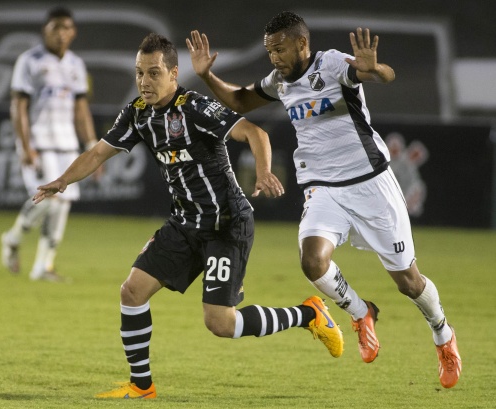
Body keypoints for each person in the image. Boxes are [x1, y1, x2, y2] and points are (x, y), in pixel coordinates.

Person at [34, 33, 344, 399]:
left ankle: (309, 314)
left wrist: (262, 171)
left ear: (173, 74)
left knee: (220, 323)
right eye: (139, 73)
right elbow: (97, 154)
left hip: (226, 224)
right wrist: (61, 180)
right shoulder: (137, 114)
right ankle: (141, 386)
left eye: (153, 73)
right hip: (184, 223)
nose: (144, 82)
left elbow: (255, 132)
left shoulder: (194, 107)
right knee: (132, 292)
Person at [186, 11, 461, 388]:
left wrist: (375, 69)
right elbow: (240, 100)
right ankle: (362, 312)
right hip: (322, 185)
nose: (274, 58)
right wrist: (206, 75)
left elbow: (379, 75)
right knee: (312, 260)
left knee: (409, 281)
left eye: (279, 49)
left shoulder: (330, 64)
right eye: (269, 51)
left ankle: (443, 335)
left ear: (301, 43)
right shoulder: (279, 81)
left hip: (370, 182)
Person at [1, 6, 98, 282]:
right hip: (39, 143)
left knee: (62, 203)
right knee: (47, 199)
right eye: (55, 28)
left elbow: (81, 109)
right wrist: (25, 144)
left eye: (66, 28)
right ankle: (12, 238)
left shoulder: (76, 65)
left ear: (74, 32)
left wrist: (91, 145)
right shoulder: (29, 61)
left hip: (66, 144)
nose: (61, 34)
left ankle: (43, 267)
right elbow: (18, 105)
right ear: (45, 30)